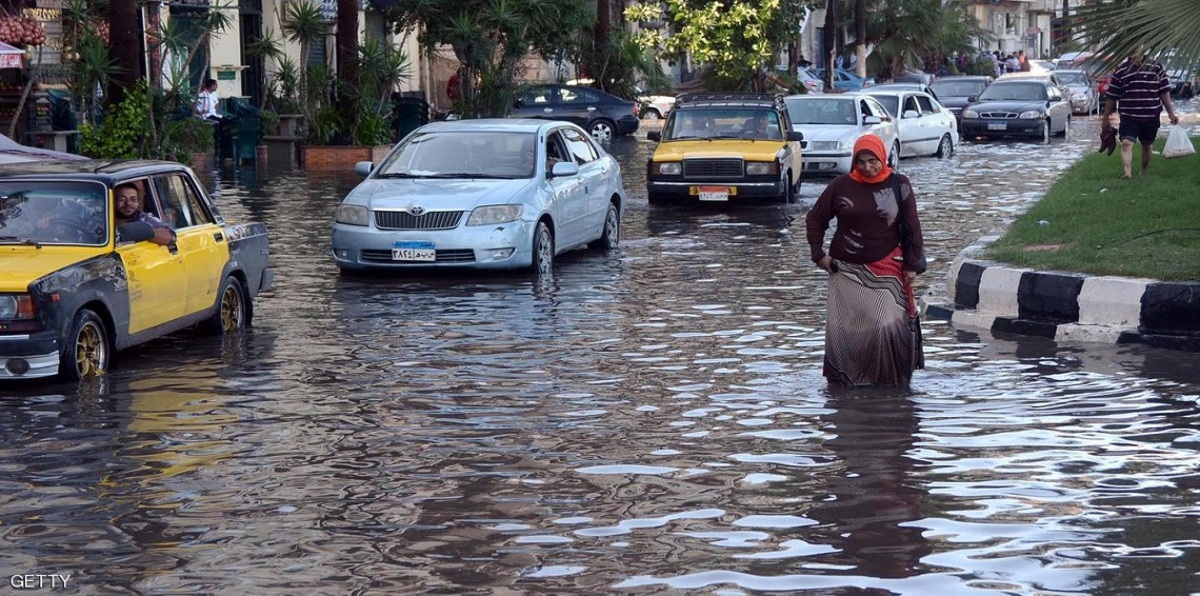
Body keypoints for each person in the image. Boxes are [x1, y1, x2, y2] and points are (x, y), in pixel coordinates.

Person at [806, 134, 926, 387]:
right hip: (845, 270)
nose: (867, 167)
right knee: (848, 327)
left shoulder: (899, 184)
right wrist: (819, 256)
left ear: (883, 157)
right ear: (854, 162)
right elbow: (815, 219)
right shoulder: (840, 186)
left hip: (887, 266)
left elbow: (912, 226)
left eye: (873, 161)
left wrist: (912, 264)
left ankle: (889, 382)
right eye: (861, 162)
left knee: (884, 323)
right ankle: (849, 382)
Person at [1102, 49, 1180, 179]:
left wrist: (1171, 113)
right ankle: (1127, 172)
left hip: (1151, 115)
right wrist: (1105, 118)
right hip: (1128, 116)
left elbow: (1164, 92)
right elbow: (1112, 97)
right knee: (1126, 143)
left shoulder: (1156, 67)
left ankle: (1144, 170)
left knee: (1147, 145)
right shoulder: (1121, 71)